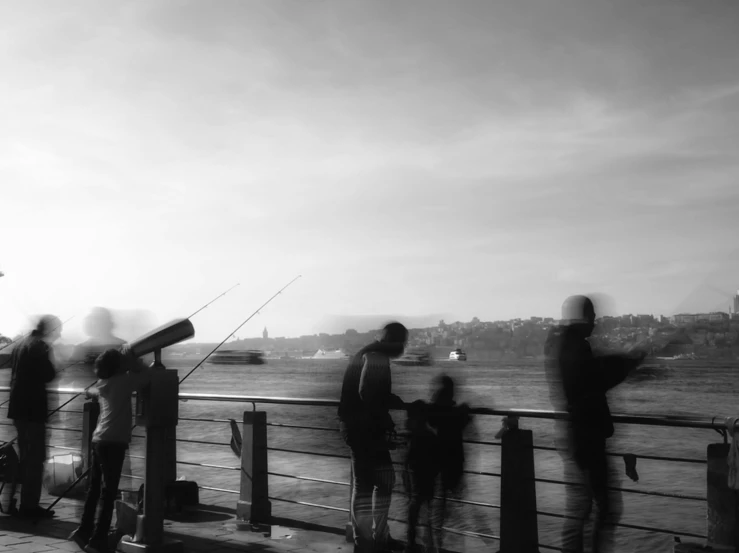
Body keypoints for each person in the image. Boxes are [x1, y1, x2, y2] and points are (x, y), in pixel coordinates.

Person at [552, 295, 647, 553]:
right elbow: (596, 376)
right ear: (584, 317)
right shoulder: (574, 348)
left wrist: (627, 364)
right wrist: (629, 361)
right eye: (592, 317)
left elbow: (596, 373)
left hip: (580, 436)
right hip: (586, 438)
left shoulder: (567, 345)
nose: (595, 323)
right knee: (602, 507)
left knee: (583, 509)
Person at [68, 345, 150, 553]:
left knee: (94, 489)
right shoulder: (124, 381)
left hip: (99, 439)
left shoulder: (104, 383)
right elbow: (148, 376)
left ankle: (83, 531)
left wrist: (87, 391)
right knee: (108, 492)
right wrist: (134, 360)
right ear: (119, 366)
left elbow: (92, 391)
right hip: (114, 442)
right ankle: (97, 540)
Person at [338, 322, 408, 553]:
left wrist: (394, 403)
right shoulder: (377, 357)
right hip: (365, 431)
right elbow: (368, 393)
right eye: (403, 342)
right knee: (384, 482)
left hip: (354, 427)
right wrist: (389, 414)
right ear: (395, 342)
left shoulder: (366, 352)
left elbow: (372, 393)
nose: (404, 348)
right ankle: (376, 539)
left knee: (365, 485)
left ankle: (366, 541)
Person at [7, 315, 62, 518]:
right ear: (49, 329)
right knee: (35, 459)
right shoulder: (40, 346)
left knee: (26, 458)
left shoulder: (21, 344)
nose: (59, 334)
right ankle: (29, 506)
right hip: (33, 412)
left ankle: (20, 502)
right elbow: (48, 375)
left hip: (18, 410)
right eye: (58, 330)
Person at [426, 375, 471, 550]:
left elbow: (433, 419)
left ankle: (436, 541)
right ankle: (448, 542)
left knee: (440, 502)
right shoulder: (457, 413)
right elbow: (462, 420)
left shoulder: (437, 411)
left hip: (439, 459)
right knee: (453, 503)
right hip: (454, 459)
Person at [403, 400, 439, 553]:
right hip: (428, 481)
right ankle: (428, 545)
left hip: (417, 482)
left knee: (413, 512)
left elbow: (408, 461)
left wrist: (405, 476)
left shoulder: (416, 438)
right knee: (429, 514)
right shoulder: (430, 435)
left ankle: (411, 544)